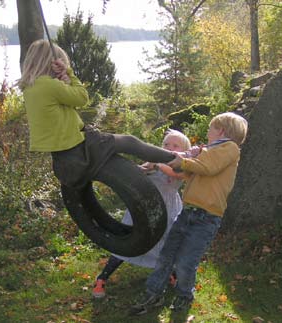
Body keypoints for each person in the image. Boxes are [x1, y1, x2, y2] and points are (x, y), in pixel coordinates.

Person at [18, 39, 176, 192]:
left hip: (63, 155)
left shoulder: (30, 88)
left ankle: (139, 169)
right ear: (52, 65)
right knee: (129, 142)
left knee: (112, 149)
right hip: (79, 147)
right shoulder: (50, 85)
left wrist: (65, 84)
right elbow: (81, 98)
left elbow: (65, 104)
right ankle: (174, 159)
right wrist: (70, 75)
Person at [131, 112, 248, 315]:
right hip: (188, 211)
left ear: (221, 130)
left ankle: (184, 296)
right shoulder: (210, 150)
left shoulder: (230, 148)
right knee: (166, 255)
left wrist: (183, 161)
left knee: (186, 262)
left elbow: (208, 167)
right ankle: (153, 292)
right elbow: (190, 170)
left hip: (207, 216)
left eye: (211, 128)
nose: (207, 132)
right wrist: (176, 159)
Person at [92, 130, 191, 298]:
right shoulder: (154, 161)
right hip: (144, 207)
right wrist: (140, 169)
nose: (169, 148)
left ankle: (172, 275)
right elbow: (140, 171)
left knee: (167, 242)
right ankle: (102, 278)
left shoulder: (184, 165)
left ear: (184, 150)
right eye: (166, 144)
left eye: (175, 145)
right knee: (128, 241)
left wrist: (157, 166)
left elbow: (176, 174)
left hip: (168, 208)